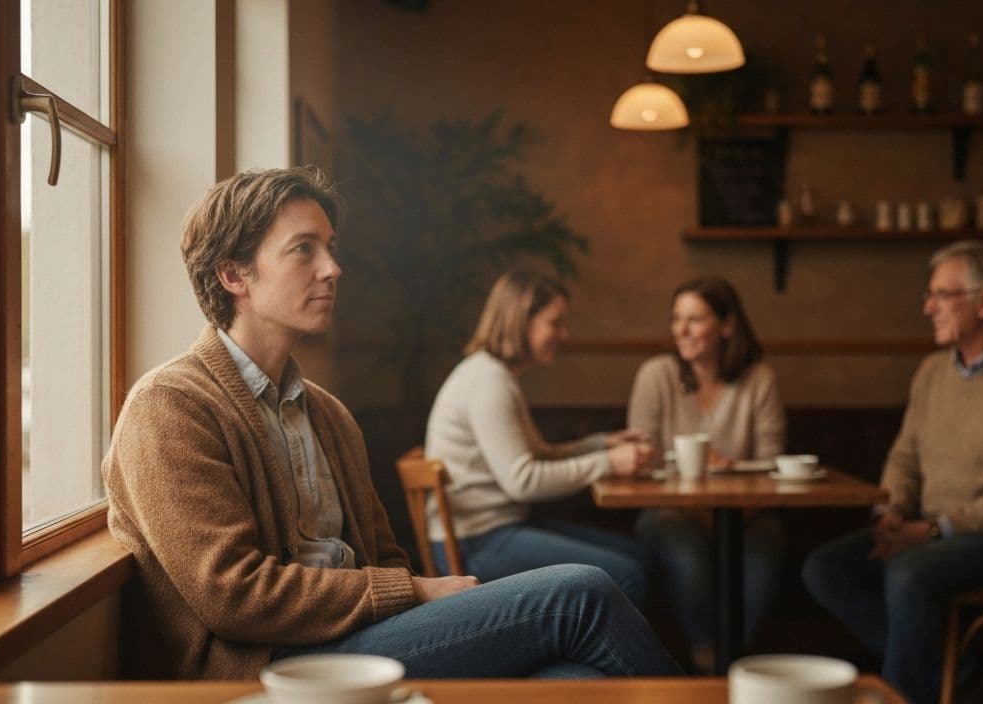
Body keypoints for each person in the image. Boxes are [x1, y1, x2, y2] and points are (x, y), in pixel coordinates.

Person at [101, 167, 680, 680]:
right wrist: (417, 592)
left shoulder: (327, 413)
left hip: (358, 640)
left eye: (330, 247)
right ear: (235, 275)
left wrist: (413, 594)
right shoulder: (170, 407)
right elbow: (234, 595)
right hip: (267, 667)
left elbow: (384, 556)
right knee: (583, 591)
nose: (334, 268)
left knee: (577, 679)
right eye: (304, 250)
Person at [802, 240, 983, 704]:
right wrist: (889, 514)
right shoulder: (931, 372)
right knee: (824, 568)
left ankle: (905, 695)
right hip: (929, 534)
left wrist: (930, 530)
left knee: (909, 572)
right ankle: (965, 682)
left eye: (941, 295)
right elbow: (905, 457)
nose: (927, 307)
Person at [423, 271, 655, 606]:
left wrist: (603, 444)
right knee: (628, 574)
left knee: (638, 557)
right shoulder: (489, 382)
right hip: (478, 543)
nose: (565, 334)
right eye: (555, 323)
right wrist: (607, 463)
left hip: (491, 532)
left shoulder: (491, 374)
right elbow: (524, 480)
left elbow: (537, 455)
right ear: (522, 321)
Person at [626, 277, 786, 673]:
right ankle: (706, 663)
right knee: (685, 549)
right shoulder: (656, 374)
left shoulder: (759, 378)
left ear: (727, 326)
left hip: (746, 512)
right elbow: (639, 460)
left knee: (764, 554)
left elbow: (772, 463)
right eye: (676, 318)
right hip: (668, 513)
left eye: (694, 319)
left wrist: (728, 487)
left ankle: (737, 663)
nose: (681, 330)